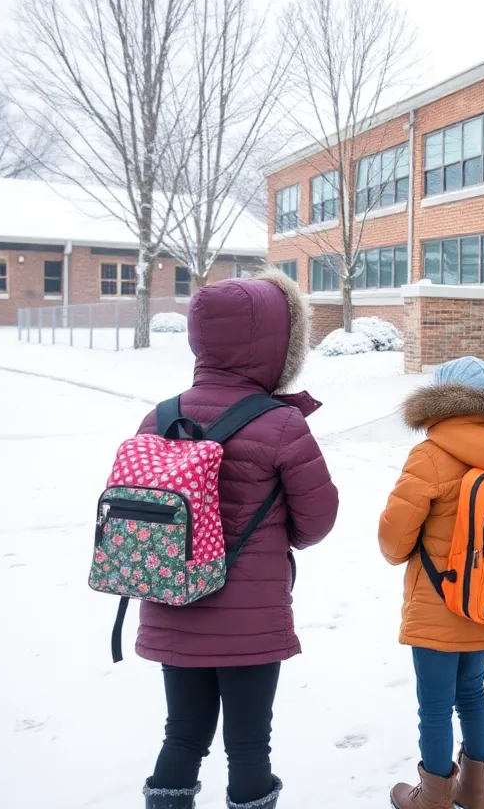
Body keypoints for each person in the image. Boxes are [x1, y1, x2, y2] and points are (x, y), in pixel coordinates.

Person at [138, 270, 339, 809]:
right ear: (278, 343)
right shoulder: (280, 425)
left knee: (181, 735)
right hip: (249, 617)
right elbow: (317, 521)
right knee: (249, 746)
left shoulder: (158, 418)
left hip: (172, 603)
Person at [379, 356, 484, 809]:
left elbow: (395, 538)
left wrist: (398, 552)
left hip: (439, 599)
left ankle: (432, 796)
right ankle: (475, 790)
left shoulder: (432, 454)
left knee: (434, 704)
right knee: (472, 692)